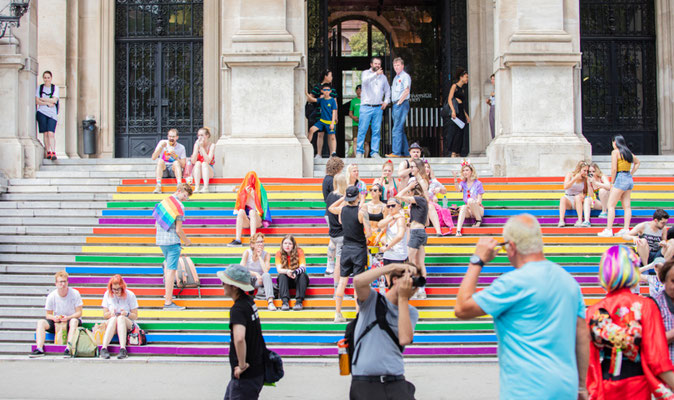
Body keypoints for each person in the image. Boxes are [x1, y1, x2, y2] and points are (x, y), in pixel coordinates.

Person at [454, 214, 589, 400]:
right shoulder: (568, 281)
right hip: (565, 386)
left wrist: (477, 260)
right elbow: (582, 334)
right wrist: (581, 386)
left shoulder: (513, 283)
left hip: (527, 389)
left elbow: (462, 308)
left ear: (512, 247)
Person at [586, 245, 674, 400]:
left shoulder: (593, 311)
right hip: (637, 385)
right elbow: (658, 359)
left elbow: (588, 360)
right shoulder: (645, 306)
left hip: (605, 386)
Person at [350, 262, 420, 399]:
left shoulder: (411, 312)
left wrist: (403, 298)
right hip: (365, 382)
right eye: (410, 278)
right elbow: (357, 281)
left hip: (395, 380)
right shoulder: (372, 300)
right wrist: (391, 267)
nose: (414, 286)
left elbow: (405, 339)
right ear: (395, 279)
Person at [218, 265, 266, 400]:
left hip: (245, 375)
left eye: (224, 282)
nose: (222, 285)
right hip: (256, 370)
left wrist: (242, 365)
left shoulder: (238, 309)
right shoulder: (250, 303)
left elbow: (239, 338)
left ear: (234, 286)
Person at [328, 185, 372, 323]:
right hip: (358, 249)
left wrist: (342, 198)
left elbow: (330, 208)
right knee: (357, 284)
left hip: (346, 248)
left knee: (342, 281)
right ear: (358, 197)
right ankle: (358, 315)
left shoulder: (342, 210)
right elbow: (369, 233)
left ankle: (337, 313)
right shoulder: (361, 212)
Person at [154, 183, 193, 310]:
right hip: (173, 242)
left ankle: (168, 296)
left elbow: (156, 223)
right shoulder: (179, 206)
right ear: (179, 191)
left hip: (161, 240)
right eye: (185, 195)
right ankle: (168, 302)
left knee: (168, 268)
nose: (185, 199)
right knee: (171, 270)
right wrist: (187, 241)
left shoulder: (164, 202)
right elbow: (178, 230)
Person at [30, 271, 83, 357]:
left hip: (71, 320)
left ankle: (68, 348)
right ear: (56, 283)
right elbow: (48, 315)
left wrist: (68, 317)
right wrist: (54, 318)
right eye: (60, 282)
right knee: (41, 322)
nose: (63, 284)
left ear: (67, 282)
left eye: (65, 281)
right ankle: (39, 348)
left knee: (73, 321)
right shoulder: (52, 296)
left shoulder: (75, 293)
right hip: (58, 322)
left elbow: (79, 313)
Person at [598, 135, 641, 237]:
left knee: (611, 205)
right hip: (628, 179)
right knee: (627, 206)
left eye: (613, 142)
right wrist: (631, 173)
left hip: (620, 177)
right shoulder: (628, 152)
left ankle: (608, 229)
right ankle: (626, 229)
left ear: (615, 142)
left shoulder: (615, 152)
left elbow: (614, 169)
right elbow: (637, 162)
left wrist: (612, 182)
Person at [396, 178, 429, 299]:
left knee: (410, 261)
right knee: (420, 263)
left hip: (416, 232)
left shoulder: (419, 199)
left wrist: (407, 188)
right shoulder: (422, 202)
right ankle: (421, 289)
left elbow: (398, 196)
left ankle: (414, 288)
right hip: (421, 231)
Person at [356, 57, 391, 159]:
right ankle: (359, 152)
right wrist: (376, 74)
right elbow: (365, 81)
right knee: (362, 130)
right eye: (375, 63)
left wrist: (386, 101)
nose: (377, 65)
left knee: (376, 131)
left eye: (379, 64)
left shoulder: (383, 78)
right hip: (366, 107)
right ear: (371, 64)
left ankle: (374, 152)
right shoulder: (366, 73)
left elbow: (388, 90)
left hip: (377, 108)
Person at [99, 275, 139, 360]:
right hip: (112, 322)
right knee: (114, 319)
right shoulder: (107, 294)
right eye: (114, 289)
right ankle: (104, 348)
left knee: (120, 318)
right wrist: (111, 313)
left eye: (118, 289)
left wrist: (126, 313)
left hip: (126, 322)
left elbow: (135, 316)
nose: (116, 292)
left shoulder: (130, 295)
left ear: (122, 287)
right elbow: (105, 315)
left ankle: (123, 349)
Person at [229, 171, 272, 246]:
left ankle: (253, 239)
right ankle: (238, 240)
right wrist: (245, 195)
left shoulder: (260, 191)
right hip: (246, 221)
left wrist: (254, 196)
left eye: (253, 179)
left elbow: (262, 210)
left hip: (257, 220)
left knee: (252, 212)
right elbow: (240, 207)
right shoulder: (243, 191)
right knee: (241, 211)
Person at [240, 233, 276, 311]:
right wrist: (256, 274)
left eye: (262, 242)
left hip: (259, 281)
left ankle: (270, 302)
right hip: (249, 279)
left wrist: (259, 256)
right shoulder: (247, 252)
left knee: (266, 275)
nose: (261, 244)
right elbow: (241, 269)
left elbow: (266, 271)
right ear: (252, 244)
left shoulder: (266, 254)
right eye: (258, 242)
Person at [275, 235, 310, 311]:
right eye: (285, 243)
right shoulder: (279, 253)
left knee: (303, 274)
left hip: (298, 279)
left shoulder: (299, 251)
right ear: (282, 244)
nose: (287, 245)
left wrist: (295, 272)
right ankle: (285, 302)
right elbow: (279, 269)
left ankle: (299, 302)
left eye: (290, 243)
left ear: (293, 245)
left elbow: (303, 267)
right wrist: (287, 271)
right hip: (287, 280)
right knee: (281, 275)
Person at [387, 57, 411, 158]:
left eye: (398, 65)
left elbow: (406, 90)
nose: (396, 67)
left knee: (396, 128)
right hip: (396, 104)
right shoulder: (395, 78)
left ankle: (396, 152)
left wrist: (399, 103)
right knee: (399, 128)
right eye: (395, 65)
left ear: (402, 66)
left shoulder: (405, 76)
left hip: (401, 104)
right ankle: (406, 152)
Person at [452, 161, 485, 236]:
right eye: (463, 170)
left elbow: (479, 201)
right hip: (469, 210)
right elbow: (458, 189)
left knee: (470, 201)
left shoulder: (478, 183)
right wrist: (455, 178)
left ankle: (478, 220)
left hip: (478, 209)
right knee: (463, 207)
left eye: (467, 170)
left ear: (471, 171)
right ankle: (458, 231)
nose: (465, 172)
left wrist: (469, 205)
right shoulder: (463, 183)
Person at [306, 84, 338, 158]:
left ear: (330, 91)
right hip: (321, 121)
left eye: (328, 90)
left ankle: (333, 152)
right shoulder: (321, 100)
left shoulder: (332, 100)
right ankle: (307, 146)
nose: (326, 91)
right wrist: (306, 93)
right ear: (322, 91)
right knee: (311, 130)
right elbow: (312, 99)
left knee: (332, 136)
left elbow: (334, 111)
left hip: (329, 122)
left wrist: (333, 122)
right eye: (325, 90)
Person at [326, 174, 347, 285]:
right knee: (339, 263)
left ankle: (329, 266)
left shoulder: (330, 195)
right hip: (341, 233)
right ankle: (337, 288)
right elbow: (341, 219)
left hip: (333, 232)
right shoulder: (342, 198)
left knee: (334, 255)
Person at [151, 128, 187, 194]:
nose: (171, 138)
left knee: (176, 163)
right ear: (167, 136)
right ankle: (158, 185)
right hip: (164, 170)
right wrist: (161, 147)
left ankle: (179, 185)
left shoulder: (181, 147)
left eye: (173, 137)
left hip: (174, 170)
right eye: (170, 136)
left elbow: (183, 165)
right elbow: (153, 157)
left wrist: (175, 157)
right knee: (160, 161)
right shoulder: (162, 143)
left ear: (177, 137)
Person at [445, 68, 470, 158]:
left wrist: (467, 115)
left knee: (461, 132)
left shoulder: (462, 90)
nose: (467, 79)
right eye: (466, 77)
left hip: (461, 111)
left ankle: (458, 152)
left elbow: (462, 105)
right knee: (455, 132)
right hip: (456, 111)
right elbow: (449, 99)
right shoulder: (454, 86)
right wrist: (453, 110)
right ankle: (453, 152)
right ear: (461, 77)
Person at [652, 259, 674, 366]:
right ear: (663, 280)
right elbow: (650, 341)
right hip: (664, 368)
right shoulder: (653, 304)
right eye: (673, 281)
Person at [35, 71, 60, 160]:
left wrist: (43, 100)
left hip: (52, 114)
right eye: (45, 77)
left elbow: (54, 101)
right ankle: (48, 151)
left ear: (51, 78)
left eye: (48, 77)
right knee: (45, 133)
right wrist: (48, 102)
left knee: (51, 133)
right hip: (42, 112)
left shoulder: (55, 88)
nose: (46, 79)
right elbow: (37, 101)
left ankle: (53, 151)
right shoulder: (40, 88)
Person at [378, 197, 409, 267]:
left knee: (397, 277)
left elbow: (400, 235)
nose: (390, 208)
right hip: (388, 255)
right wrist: (393, 217)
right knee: (388, 277)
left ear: (399, 206)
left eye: (393, 205)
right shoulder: (390, 217)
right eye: (388, 206)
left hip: (398, 255)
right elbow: (380, 225)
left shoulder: (401, 218)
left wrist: (387, 247)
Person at [558, 161, 589, 227]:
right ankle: (561, 220)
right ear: (579, 169)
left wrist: (583, 196)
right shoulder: (570, 175)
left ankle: (580, 220)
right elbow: (565, 186)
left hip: (577, 200)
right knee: (563, 198)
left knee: (577, 197)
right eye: (584, 170)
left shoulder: (585, 179)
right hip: (568, 198)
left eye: (587, 171)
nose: (586, 173)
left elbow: (585, 192)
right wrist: (575, 179)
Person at [581, 163, 611, 227]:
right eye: (590, 172)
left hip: (607, 203)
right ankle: (586, 221)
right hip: (599, 202)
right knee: (587, 198)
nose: (592, 173)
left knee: (602, 190)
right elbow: (591, 195)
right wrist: (589, 185)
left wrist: (596, 183)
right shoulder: (590, 180)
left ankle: (604, 212)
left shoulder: (602, 177)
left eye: (593, 171)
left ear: (597, 171)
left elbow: (608, 186)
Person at [424, 160, 447, 236]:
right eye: (424, 167)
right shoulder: (414, 180)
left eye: (428, 167)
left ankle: (438, 231)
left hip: (430, 204)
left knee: (430, 206)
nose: (427, 169)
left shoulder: (433, 181)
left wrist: (439, 189)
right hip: (420, 203)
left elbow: (445, 191)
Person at [190, 127, 215, 193]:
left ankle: (206, 187)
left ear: (207, 136)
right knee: (198, 163)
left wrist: (201, 148)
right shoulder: (196, 145)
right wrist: (197, 148)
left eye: (202, 135)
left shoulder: (212, 145)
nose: (199, 137)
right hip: (197, 170)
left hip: (208, 170)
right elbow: (193, 161)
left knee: (204, 163)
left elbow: (208, 161)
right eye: (198, 135)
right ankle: (197, 187)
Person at [349, 85, 365, 157]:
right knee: (355, 140)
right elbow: (350, 113)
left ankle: (366, 157)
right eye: (358, 90)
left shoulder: (366, 100)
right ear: (356, 91)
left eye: (361, 90)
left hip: (366, 123)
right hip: (355, 123)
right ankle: (356, 157)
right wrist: (353, 117)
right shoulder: (353, 101)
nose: (359, 92)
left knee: (366, 142)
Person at [486, 73, 495, 139]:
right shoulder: (493, 90)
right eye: (491, 79)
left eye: (493, 79)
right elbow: (488, 101)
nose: (492, 81)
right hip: (492, 107)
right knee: (492, 124)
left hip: (495, 107)